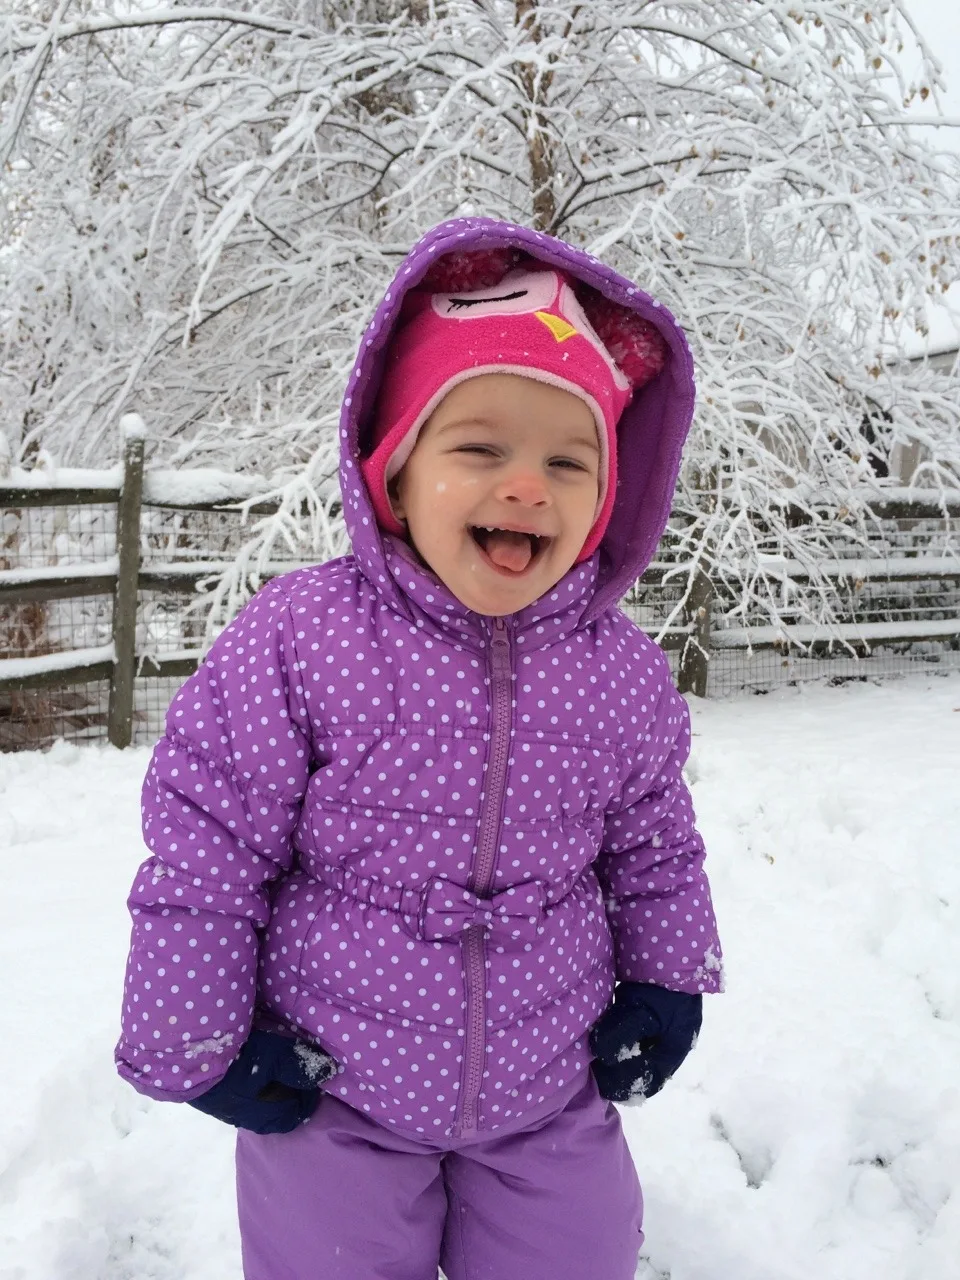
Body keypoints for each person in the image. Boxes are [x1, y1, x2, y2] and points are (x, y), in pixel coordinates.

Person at [116, 217, 723, 1280]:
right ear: (393, 473)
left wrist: (667, 978)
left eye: (568, 460)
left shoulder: (617, 670)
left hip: (546, 1084)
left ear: (604, 502)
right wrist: (196, 1032)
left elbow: (654, 842)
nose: (527, 483)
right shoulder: (304, 638)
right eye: (480, 448)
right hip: (330, 1087)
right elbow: (207, 839)